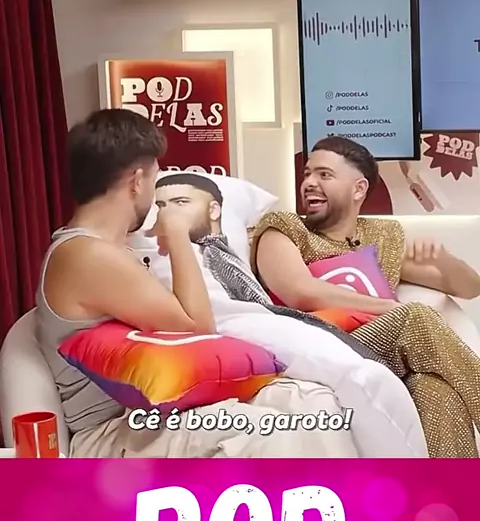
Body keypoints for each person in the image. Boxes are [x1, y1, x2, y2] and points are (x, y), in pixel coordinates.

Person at [35, 109, 361, 459]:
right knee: (273, 434)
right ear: (137, 181)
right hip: (111, 433)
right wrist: (178, 233)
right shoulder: (86, 255)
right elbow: (198, 327)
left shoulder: (108, 251)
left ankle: (346, 494)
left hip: (154, 412)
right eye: (155, 178)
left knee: (314, 403)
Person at [150, 173, 428, 459]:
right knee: (371, 378)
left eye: (180, 203)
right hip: (242, 323)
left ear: (214, 210)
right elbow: (297, 293)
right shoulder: (162, 253)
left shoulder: (381, 234)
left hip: (277, 318)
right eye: (160, 206)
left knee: (424, 373)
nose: (167, 213)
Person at [250, 135, 480, 458]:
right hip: (318, 347)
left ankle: (452, 491)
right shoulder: (284, 228)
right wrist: (388, 308)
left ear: (358, 189)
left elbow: (471, 288)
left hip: (378, 356)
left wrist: (443, 260)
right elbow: (300, 292)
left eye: (324, 175)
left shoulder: (382, 237)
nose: (309, 183)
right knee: (413, 316)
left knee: (436, 388)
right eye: (307, 174)